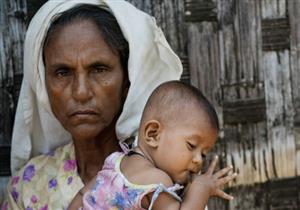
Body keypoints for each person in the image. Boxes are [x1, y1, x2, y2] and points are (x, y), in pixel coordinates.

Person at [1, 1, 182, 209]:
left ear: (127, 80)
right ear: (44, 85)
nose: (80, 92)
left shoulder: (163, 179)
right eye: (62, 72)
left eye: (99, 69)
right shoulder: (29, 186)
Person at [68, 81, 237, 210]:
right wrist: (201, 190)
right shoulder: (157, 181)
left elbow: (82, 194)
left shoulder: (116, 161)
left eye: (204, 154)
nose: (198, 160)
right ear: (153, 134)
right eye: (191, 146)